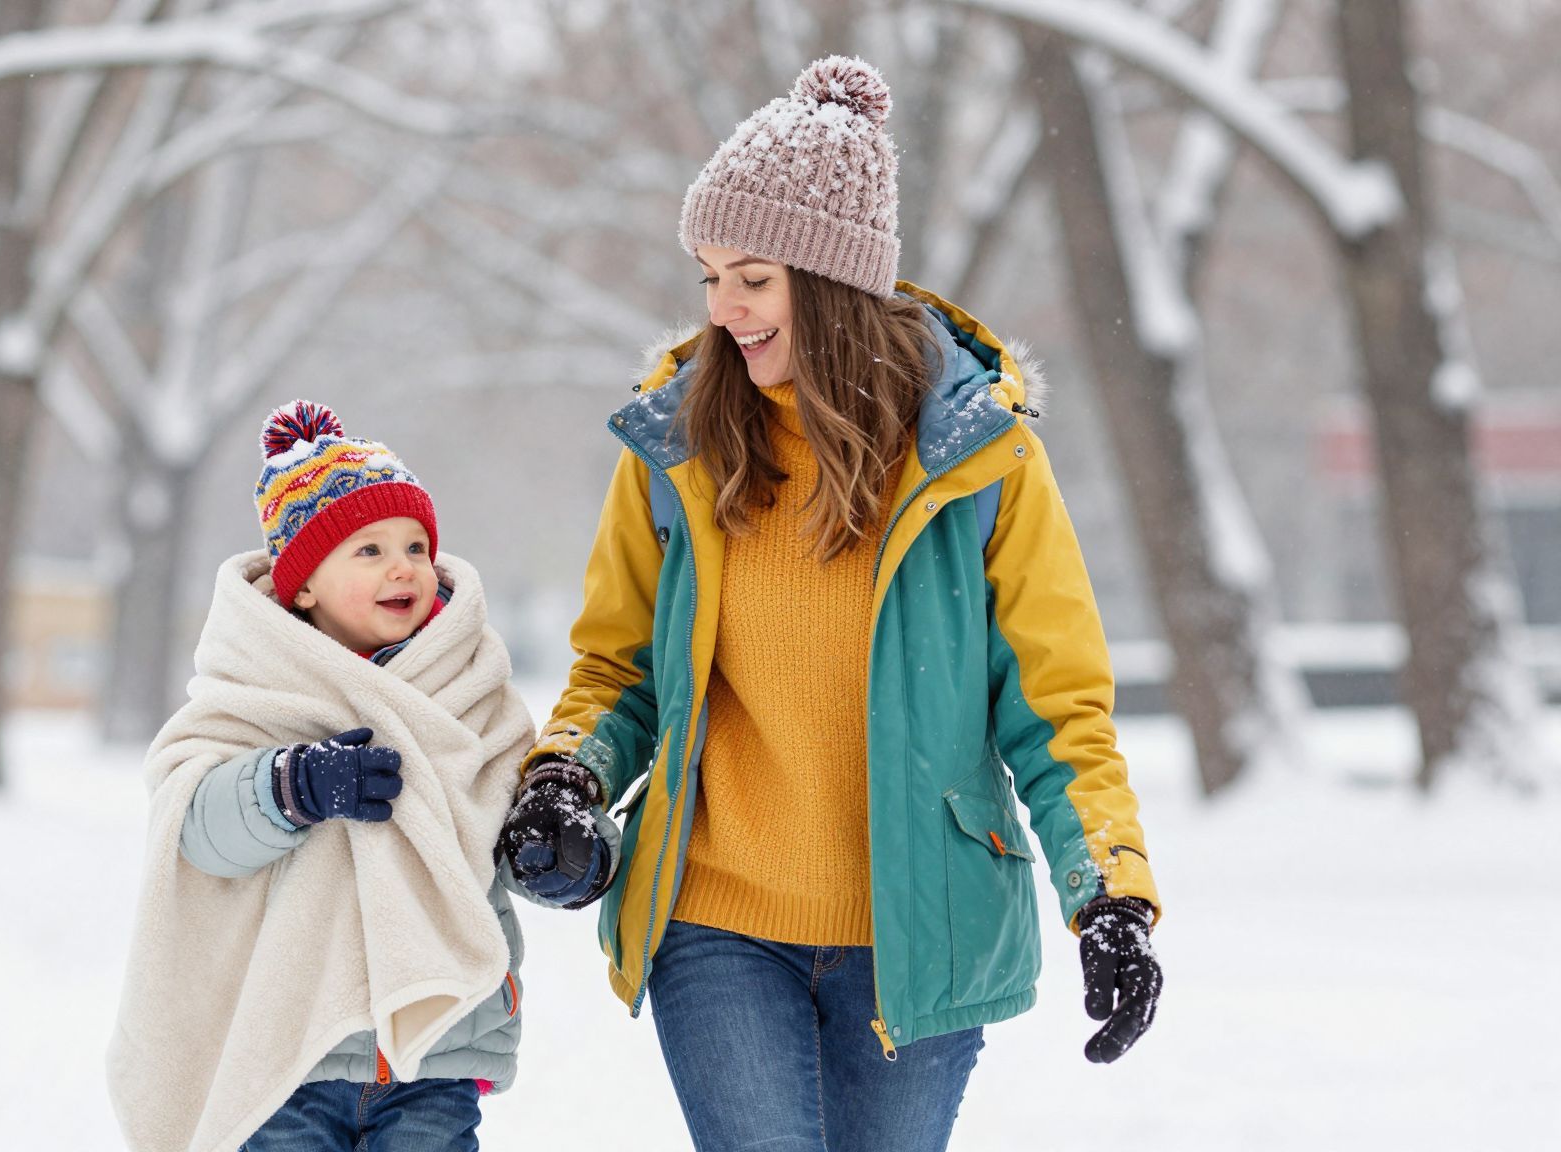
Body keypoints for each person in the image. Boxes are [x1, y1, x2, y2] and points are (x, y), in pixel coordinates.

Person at [494, 56, 1164, 1152]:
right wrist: (566, 775)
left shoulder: (976, 465)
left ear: (832, 278)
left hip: (917, 932)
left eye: (750, 278)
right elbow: (617, 669)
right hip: (713, 922)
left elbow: (1055, 711)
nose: (722, 309)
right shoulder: (675, 449)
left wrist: (1111, 900)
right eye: (708, 277)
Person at [109, 402, 583, 1152]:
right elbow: (195, 832)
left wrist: (548, 853)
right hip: (289, 1058)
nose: (405, 567)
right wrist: (287, 787)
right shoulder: (257, 686)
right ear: (302, 586)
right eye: (368, 550)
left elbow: (494, 832)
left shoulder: (470, 692)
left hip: (436, 1050)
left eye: (417, 545)